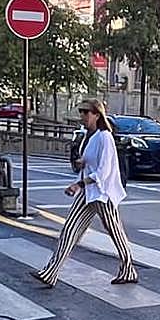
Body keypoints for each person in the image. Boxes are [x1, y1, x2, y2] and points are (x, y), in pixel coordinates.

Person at [32, 99, 137, 286]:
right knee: (69, 230)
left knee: (115, 232)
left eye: (86, 112)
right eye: (81, 111)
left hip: (102, 194)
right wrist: (82, 163)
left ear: (97, 114)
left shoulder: (105, 137)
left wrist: (79, 184)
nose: (82, 115)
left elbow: (104, 171)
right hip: (88, 192)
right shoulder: (90, 136)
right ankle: (50, 272)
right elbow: (90, 162)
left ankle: (128, 269)